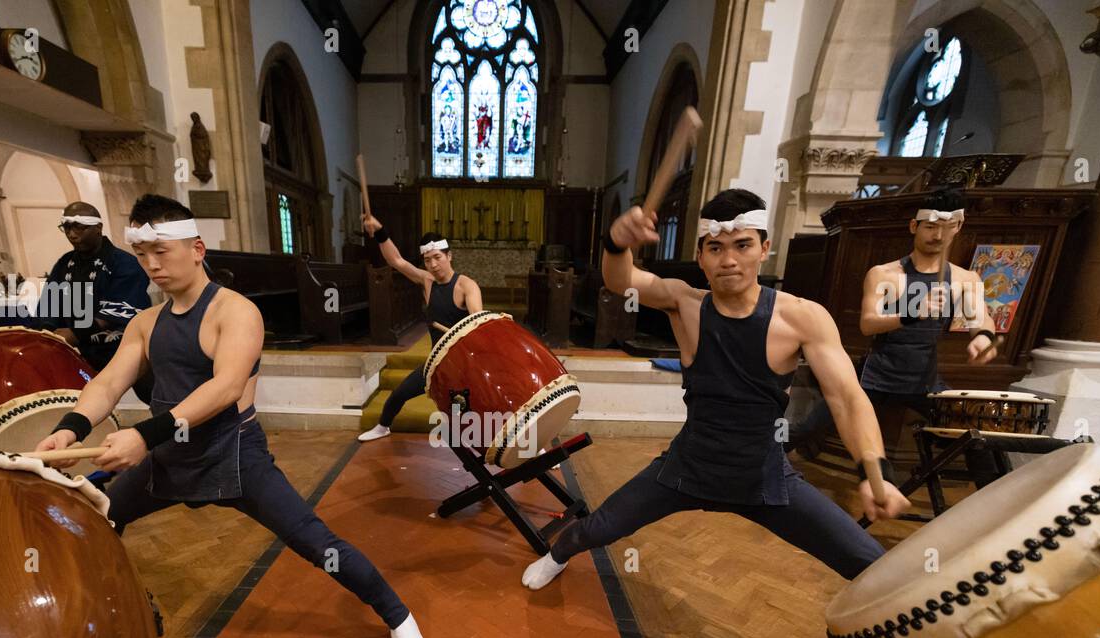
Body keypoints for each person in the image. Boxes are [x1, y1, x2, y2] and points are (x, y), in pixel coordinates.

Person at [35, 194, 430, 638]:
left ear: (197, 248)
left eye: (162, 251)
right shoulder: (145, 323)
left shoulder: (235, 312)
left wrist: (143, 435)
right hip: (168, 457)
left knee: (315, 542)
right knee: (98, 520)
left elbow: (223, 389)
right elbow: (108, 383)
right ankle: (114, 612)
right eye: (142, 255)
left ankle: (399, 617)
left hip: (234, 454)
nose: (151, 265)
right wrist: (67, 430)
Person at [523, 188, 908, 593]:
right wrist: (616, 241)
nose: (728, 260)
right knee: (598, 527)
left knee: (870, 562)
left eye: (742, 245)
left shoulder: (803, 317)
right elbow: (622, 280)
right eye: (716, 248)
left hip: (762, 476)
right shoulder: (685, 302)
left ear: (764, 248)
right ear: (702, 255)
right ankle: (556, 556)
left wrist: (874, 469)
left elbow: (847, 398)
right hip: (688, 467)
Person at [791, 187, 1000, 485]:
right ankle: (765, 461)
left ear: (958, 227)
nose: (938, 236)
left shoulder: (966, 279)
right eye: (930, 227)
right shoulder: (885, 274)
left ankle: (991, 497)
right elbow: (868, 324)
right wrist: (913, 310)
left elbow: (981, 319)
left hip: (922, 378)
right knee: (809, 425)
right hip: (876, 374)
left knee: (973, 434)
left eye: (945, 228)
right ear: (914, 226)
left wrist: (983, 338)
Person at [356, 216, 482, 443]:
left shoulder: (467, 285)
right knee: (399, 394)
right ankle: (383, 426)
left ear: (449, 256)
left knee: (492, 403)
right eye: (427, 260)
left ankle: (530, 441)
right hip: (438, 361)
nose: (433, 265)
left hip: (464, 363)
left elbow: (477, 324)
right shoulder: (427, 281)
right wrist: (381, 231)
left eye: (437, 258)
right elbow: (396, 261)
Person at [36, 201, 155, 403]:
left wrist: (74, 333)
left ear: (98, 228)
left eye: (79, 227)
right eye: (67, 227)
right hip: (77, 351)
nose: (72, 234)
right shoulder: (65, 263)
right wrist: (48, 331)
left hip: (122, 348)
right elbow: (51, 301)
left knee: (151, 394)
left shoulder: (124, 263)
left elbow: (121, 309)